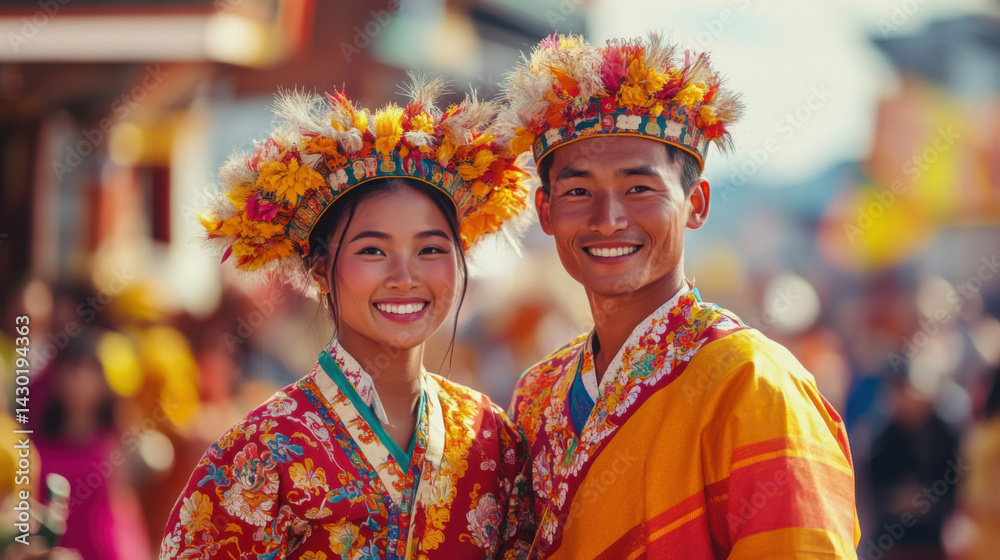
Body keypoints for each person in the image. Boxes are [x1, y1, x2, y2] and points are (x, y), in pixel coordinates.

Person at [497, 33, 860, 558]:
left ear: (696, 203)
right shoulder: (536, 396)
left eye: (639, 188)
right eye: (578, 191)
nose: (608, 219)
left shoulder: (752, 382)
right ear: (545, 211)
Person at [160, 79, 535, 559]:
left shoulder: (493, 440)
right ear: (319, 269)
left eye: (430, 249)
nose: (405, 277)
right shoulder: (260, 452)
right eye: (372, 250)